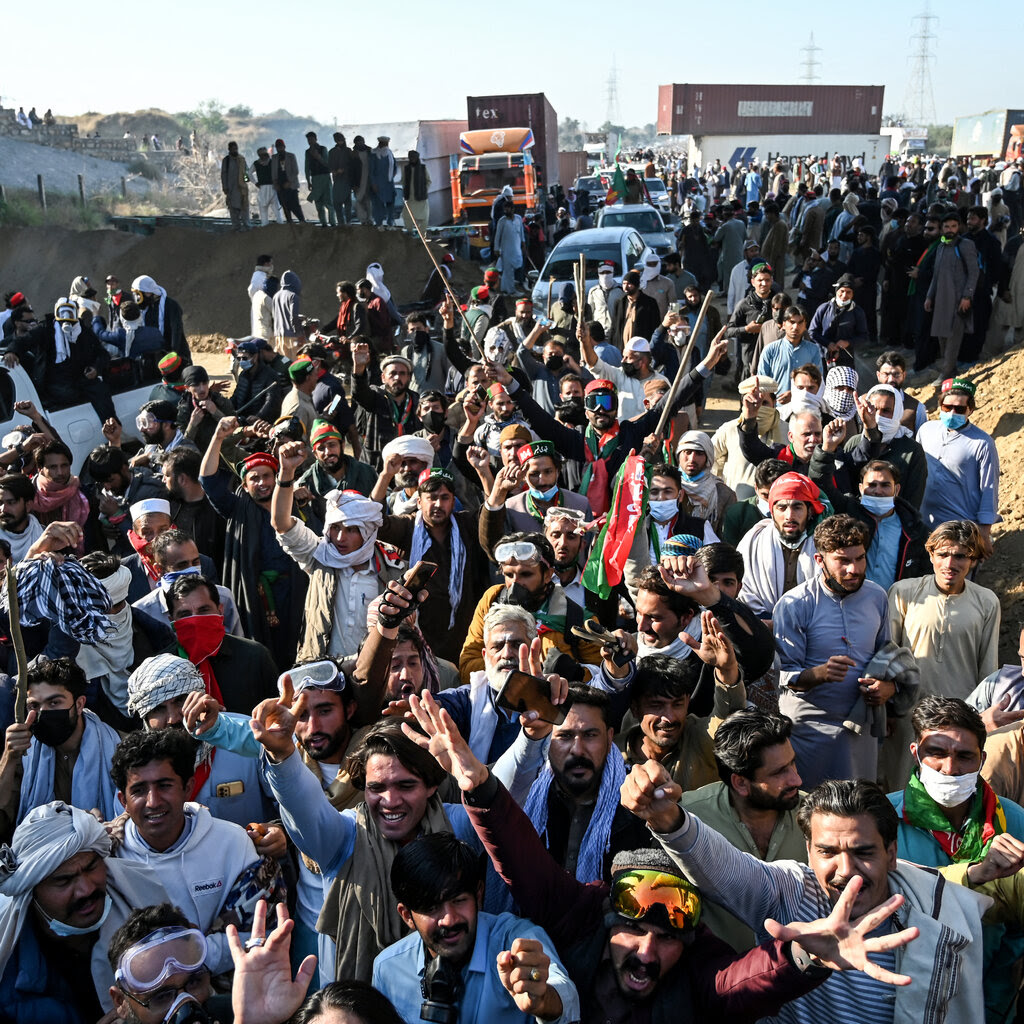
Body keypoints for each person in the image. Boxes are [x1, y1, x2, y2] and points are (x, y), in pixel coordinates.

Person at [419, 695, 917, 1024]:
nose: (645, 953)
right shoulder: (581, 914)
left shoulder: (699, 967)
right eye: (634, 930)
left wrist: (803, 957)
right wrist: (475, 782)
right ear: (608, 913)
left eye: (666, 938)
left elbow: (739, 982)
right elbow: (523, 859)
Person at [622, 768, 985, 1024]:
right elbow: (722, 866)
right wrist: (666, 817)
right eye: (828, 852)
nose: (846, 870)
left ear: (891, 853)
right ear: (808, 851)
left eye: (863, 852)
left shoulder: (934, 916)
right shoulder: (791, 891)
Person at [888, 697, 1024, 1022]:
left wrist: (993, 1002)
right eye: (936, 752)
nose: (950, 769)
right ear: (915, 753)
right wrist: (973, 875)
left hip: (988, 993)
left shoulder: (1014, 820)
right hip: (902, 994)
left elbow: (1018, 931)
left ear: (982, 759)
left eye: (964, 756)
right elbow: (888, 900)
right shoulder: (882, 821)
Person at [110, 728, 271, 979]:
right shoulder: (110, 858)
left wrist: (186, 958)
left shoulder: (233, 843)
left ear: (188, 788)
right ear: (123, 800)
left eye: (164, 786)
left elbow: (260, 932)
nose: (153, 801)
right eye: (139, 790)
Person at [372, 833, 579, 1024]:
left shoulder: (515, 940)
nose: (449, 920)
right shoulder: (387, 969)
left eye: (459, 900)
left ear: (478, 895)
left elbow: (565, 995)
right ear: (407, 915)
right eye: (431, 907)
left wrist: (542, 1000)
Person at [0, 801, 170, 1024]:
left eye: (91, 868)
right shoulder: (10, 969)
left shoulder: (144, 903)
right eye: (63, 880)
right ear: (32, 893)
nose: (86, 889)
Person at [774, 514, 903, 788]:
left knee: (858, 810)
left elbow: (887, 656)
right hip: (808, 731)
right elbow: (783, 676)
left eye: (859, 558)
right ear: (820, 560)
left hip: (861, 730)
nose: (854, 569)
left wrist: (888, 688)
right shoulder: (794, 604)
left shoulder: (877, 596)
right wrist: (818, 674)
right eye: (843, 561)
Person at [680, 709, 806, 952]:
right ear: (740, 783)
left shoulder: (816, 817)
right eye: (780, 772)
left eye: (793, 763)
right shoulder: (690, 818)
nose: (796, 780)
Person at [887, 520, 1000, 785]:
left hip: (962, 715)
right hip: (908, 716)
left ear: (972, 560)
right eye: (943, 554)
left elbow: (988, 670)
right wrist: (889, 713)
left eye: (960, 556)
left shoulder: (986, 602)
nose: (950, 564)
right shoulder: (904, 592)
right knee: (902, 787)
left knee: (953, 788)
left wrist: (980, 719)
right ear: (931, 555)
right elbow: (888, 656)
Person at [200, 418, 308, 666]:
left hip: (294, 592)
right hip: (254, 595)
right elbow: (207, 480)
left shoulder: (294, 503)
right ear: (244, 484)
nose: (262, 483)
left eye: (267, 476)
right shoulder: (237, 508)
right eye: (254, 478)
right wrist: (217, 438)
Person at [124, 653, 274, 828]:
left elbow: (293, 805)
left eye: (180, 701)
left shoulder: (249, 736)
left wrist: (279, 831)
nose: (173, 719)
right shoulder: (134, 765)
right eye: (158, 709)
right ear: (145, 717)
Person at [273, 447, 387, 661]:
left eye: (352, 530)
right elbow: (281, 524)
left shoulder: (390, 569)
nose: (340, 538)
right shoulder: (319, 556)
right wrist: (287, 473)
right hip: (325, 673)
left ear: (368, 532)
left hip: (374, 675)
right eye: (335, 528)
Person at [0, 658, 122, 830]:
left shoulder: (118, 748)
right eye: (34, 705)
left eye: (54, 703)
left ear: (79, 704)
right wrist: (9, 757)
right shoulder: (24, 754)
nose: (43, 712)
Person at [159, 574, 278, 713]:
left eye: (203, 610)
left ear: (220, 610)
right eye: (185, 614)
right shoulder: (163, 669)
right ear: (172, 620)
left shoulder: (255, 656)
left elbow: (276, 712)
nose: (195, 620)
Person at [808, 458, 929, 590]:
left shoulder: (914, 529)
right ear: (860, 488)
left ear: (897, 489)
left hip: (895, 605)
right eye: (872, 485)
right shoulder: (847, 512)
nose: (878, 491)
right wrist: (826, 450)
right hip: (850, 601)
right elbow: (820, 482)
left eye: (885, 485)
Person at [916, 378, 999, 552]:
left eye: (959, 409)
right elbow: (915, 469)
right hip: (924, 523)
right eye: (947, 407)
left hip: (960, 529)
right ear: (940, 405)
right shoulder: (926, 430)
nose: (952, 413)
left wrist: (983, 534)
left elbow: (988, 489)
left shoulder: (982, 443)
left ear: (971, 410)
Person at [736, 472, 824, 620]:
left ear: (809, 511)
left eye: (797, 507)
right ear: (772, 512)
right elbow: (744, 590)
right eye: (782, 508)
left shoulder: (823, 545)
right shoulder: (754, 541)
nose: (789, 516)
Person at [923, 212, 979, 385]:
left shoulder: (966, 245)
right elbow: (936, 276)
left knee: (954, 337)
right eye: (946, 227)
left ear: (959, 228)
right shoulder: (940, 247)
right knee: (942, 336)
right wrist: (929, 297)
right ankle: (950, 369)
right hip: (941, 300)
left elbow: (974, 272)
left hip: (958, 300)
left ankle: (946, 374)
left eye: (953, 226)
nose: (950, 230)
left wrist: (967, 296)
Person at [757, 306, 822, 386]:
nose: (795, 327)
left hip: (804, 398)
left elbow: (818, 382)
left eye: (800, 322)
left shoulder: (813, 350)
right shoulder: (770, 350)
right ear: (784, 325)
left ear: (805, 326)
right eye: (792, 322)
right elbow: (762, 381)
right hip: (776, 398)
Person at [131, 275, 189, 361]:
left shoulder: (171, 305)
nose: (137, 299)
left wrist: (172, 354)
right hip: (154, 358)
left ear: (148, 293)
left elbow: (176, 330)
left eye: (138, 294)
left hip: (175, 357)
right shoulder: (147, 309)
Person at [609, 270, 661, 349]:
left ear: (636, 284)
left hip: (641, 349)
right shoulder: (620, 302)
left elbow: (655, 327)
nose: (625, 287)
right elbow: (614, 326)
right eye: (624, 284)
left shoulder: (649, 303)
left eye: (629, 284)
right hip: (621, 348)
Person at [0, 473, 45, 562]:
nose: (3, 509)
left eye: (11, 502)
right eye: (0, 503)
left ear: (28, 505)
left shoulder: (41, 537)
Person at [304, 131, 335, 228]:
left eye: (311, 139)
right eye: (308, 140)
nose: (310, 141)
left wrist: (318, 157)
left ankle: (333, 223)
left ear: (316, 139)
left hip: (325, 177)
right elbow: (307, 167)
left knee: (329, 202)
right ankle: (324, 223)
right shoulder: (308, 152)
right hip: (315, 178)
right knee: (318, 202)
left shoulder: (323, 149)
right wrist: (308, 181)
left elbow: (327, 164)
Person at [271, 139, 305, 224]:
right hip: (280, 185)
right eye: (278, 147)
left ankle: (302, 221)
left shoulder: (291, 156)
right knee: (284, 205)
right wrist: (275, 183)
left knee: (295, 205)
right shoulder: (274, 158)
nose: (279, 148)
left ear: (284, 147)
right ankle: (289, 222)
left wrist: (289, 182)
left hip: (291, 185)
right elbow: (273, 172)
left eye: (281, 146)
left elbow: (295, 171)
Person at [221, 141, 250, 231]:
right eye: (233, 149)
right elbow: (223, 174)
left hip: (242, 189)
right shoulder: (226, 161)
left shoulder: (242, 159)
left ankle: (247, 227)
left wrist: (246, 179)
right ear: (229, 149)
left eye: (236, 148)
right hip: (231, 189)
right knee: (233, 208)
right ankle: (236, 227)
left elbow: (246, 172)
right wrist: (225, 187)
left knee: (244, 207)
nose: (235, 150)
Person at [400, 149, 432, 233]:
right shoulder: (406, 169)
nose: (412, 159)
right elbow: (403, 181)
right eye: (411, 158)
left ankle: (422, 235)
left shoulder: (422, 168)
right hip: (410, 198)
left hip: (421, 198)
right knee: (407, 216)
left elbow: (429, 181)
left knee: (424, 217)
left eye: (414, 158)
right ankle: (409, 232)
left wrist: (424, 190)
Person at [252, 146, 283, 225]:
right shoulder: (258, 163)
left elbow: (249, 174)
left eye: (264, 154)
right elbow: (248, 174)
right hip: (267, 188)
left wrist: (255, 182)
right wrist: (255, 182)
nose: (264, 156)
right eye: (262, 154)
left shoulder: (270, 162)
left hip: (270, 187)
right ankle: (275, 224)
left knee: (273, 208)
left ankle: (274, 224)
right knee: (269, 208)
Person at [370, 135, 397, 226]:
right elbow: (371, 171)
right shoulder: (374, 154)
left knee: (390, 204)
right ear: (380, 144)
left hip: (389, 184)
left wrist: (391, 176)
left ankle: (390, 222)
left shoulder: (389, 153)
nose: (386, 145)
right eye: (385, 144)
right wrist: (374, 184)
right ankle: (379, 224)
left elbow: (395, 168)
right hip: (378, 185)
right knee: (378, 205)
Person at [328, 132, 353, 224]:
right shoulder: (332, 152)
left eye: (341, 140)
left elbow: (352, 165)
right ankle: (340, 222)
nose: (340, 142)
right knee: (336, 202)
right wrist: (334, 171)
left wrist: (344, 170)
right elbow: (329, 165)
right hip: (337, 180)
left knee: (347, 203)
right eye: (338, 140)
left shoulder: (348, 151)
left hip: (346, 180)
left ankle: (349, 221)